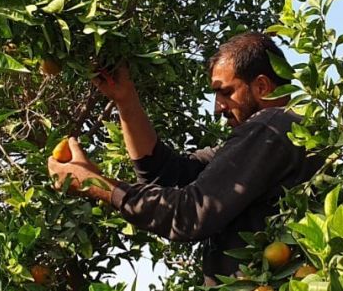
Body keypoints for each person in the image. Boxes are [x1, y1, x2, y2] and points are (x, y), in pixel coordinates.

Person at [47, 32, 321, 285]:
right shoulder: (279, 137)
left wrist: (94, 183)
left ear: (261, 86)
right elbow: (166, 174)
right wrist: (125, 99)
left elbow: (190, 213)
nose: (218, 107)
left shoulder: (272, 126)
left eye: (225, 92)